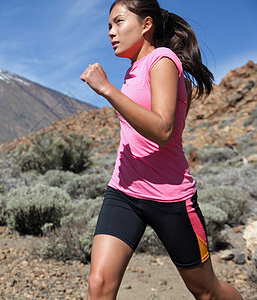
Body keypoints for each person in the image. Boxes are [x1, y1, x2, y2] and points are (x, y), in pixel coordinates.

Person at [80, 0, 243, 299]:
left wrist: (106, 89)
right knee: (99, 284)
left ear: (146, 25)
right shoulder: (132, 71)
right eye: (108, 26)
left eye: (118, 22)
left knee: (207, 292)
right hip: (124, 191)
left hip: (171, 198)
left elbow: (163, 131)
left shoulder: (163, 61)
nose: (111, 32)